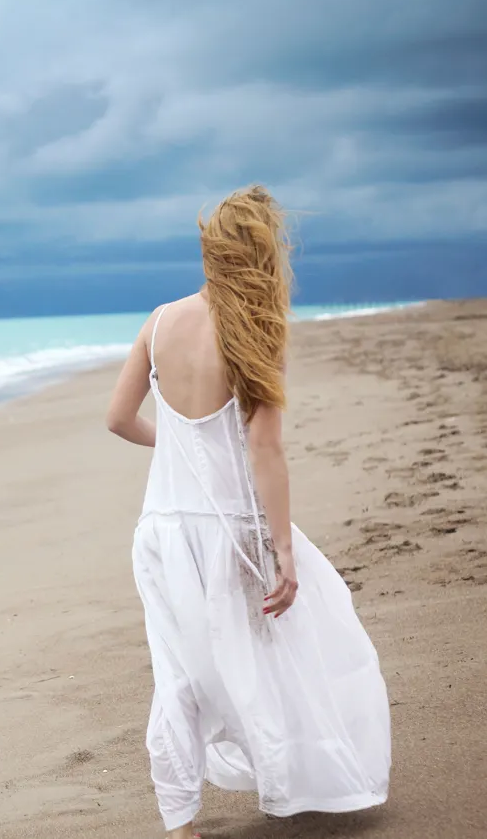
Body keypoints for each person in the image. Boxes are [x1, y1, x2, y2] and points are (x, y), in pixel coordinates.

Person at [105, 186, 391, 838]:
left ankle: (179, 819)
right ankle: (293, 786)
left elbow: (118, 419)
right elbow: (265, 449)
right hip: (232, 532)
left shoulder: (159, 322)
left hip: (161, 532)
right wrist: (283, 550)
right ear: (263, 255)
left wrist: (178, 456)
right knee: (299, 645)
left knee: (178, 670)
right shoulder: (256, 329)